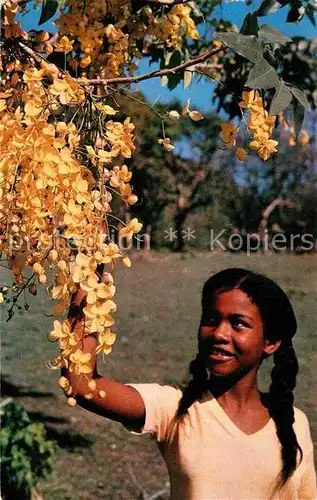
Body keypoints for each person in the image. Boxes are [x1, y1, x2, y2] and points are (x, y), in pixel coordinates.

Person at [62, 268, 317, 499]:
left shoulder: (294, 423)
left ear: (270, 342)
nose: (218, 333)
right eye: (211, 319)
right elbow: (81, 385)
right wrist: (90, 266)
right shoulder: (175, 409)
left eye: (238, 323)